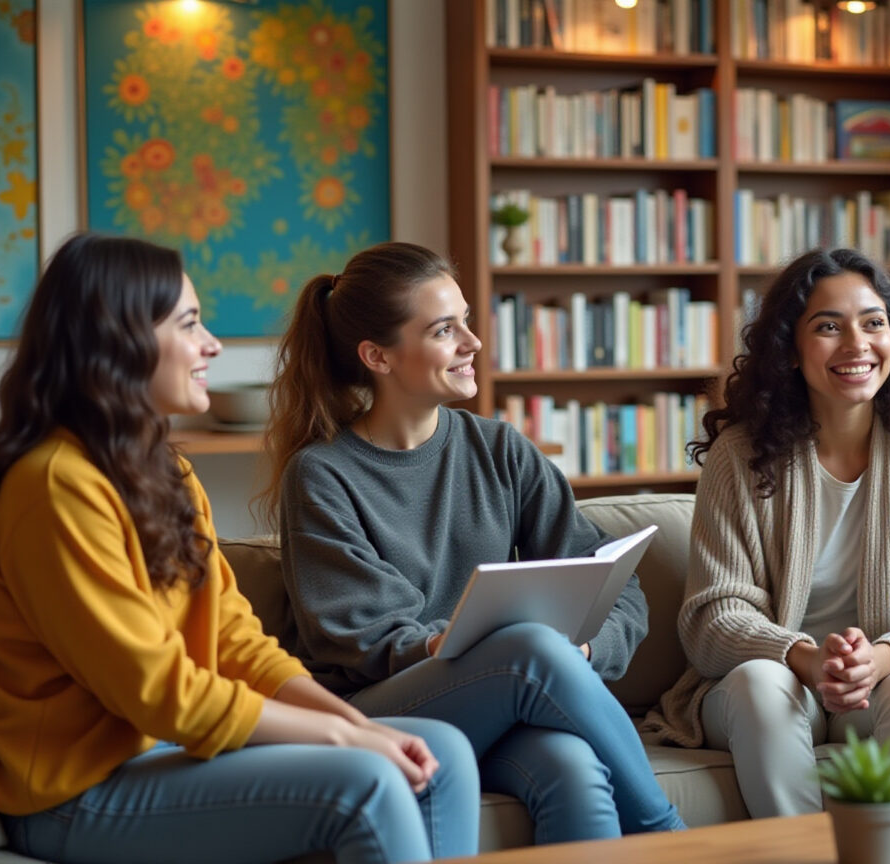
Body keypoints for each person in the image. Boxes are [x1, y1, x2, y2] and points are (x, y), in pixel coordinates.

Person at [0, 233, 479, 864]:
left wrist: (356, 725)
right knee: (366, 784)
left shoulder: (164, 475)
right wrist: (340, 738)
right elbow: (159, 691)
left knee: (444, 754)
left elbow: (234, 641)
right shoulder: (57, 487)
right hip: (75, 792)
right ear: (121, 341)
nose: (212, 344)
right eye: (190, 323)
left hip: (166, 755)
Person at [260, 241, 686, 844]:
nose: (473, 342)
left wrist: (583, 654)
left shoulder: (500, 449)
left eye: (466, 320)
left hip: (495, 699)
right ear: (377, 355)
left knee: (576, 770)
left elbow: (618, 587)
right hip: (377, 709)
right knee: (530, 647)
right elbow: (358, 639)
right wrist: (470, 644)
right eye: (443, 329)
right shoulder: (323, 475)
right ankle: (672, 837)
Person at [642, 247, 890, 818]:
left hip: (877, 680)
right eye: (828, 327)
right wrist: (805, 659)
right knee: (762, 684)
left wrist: (880, 659)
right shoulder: (740, 456)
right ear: (789, 348)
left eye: (873, 323)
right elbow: (712, 617)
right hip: (771, 681)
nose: (857, 344)